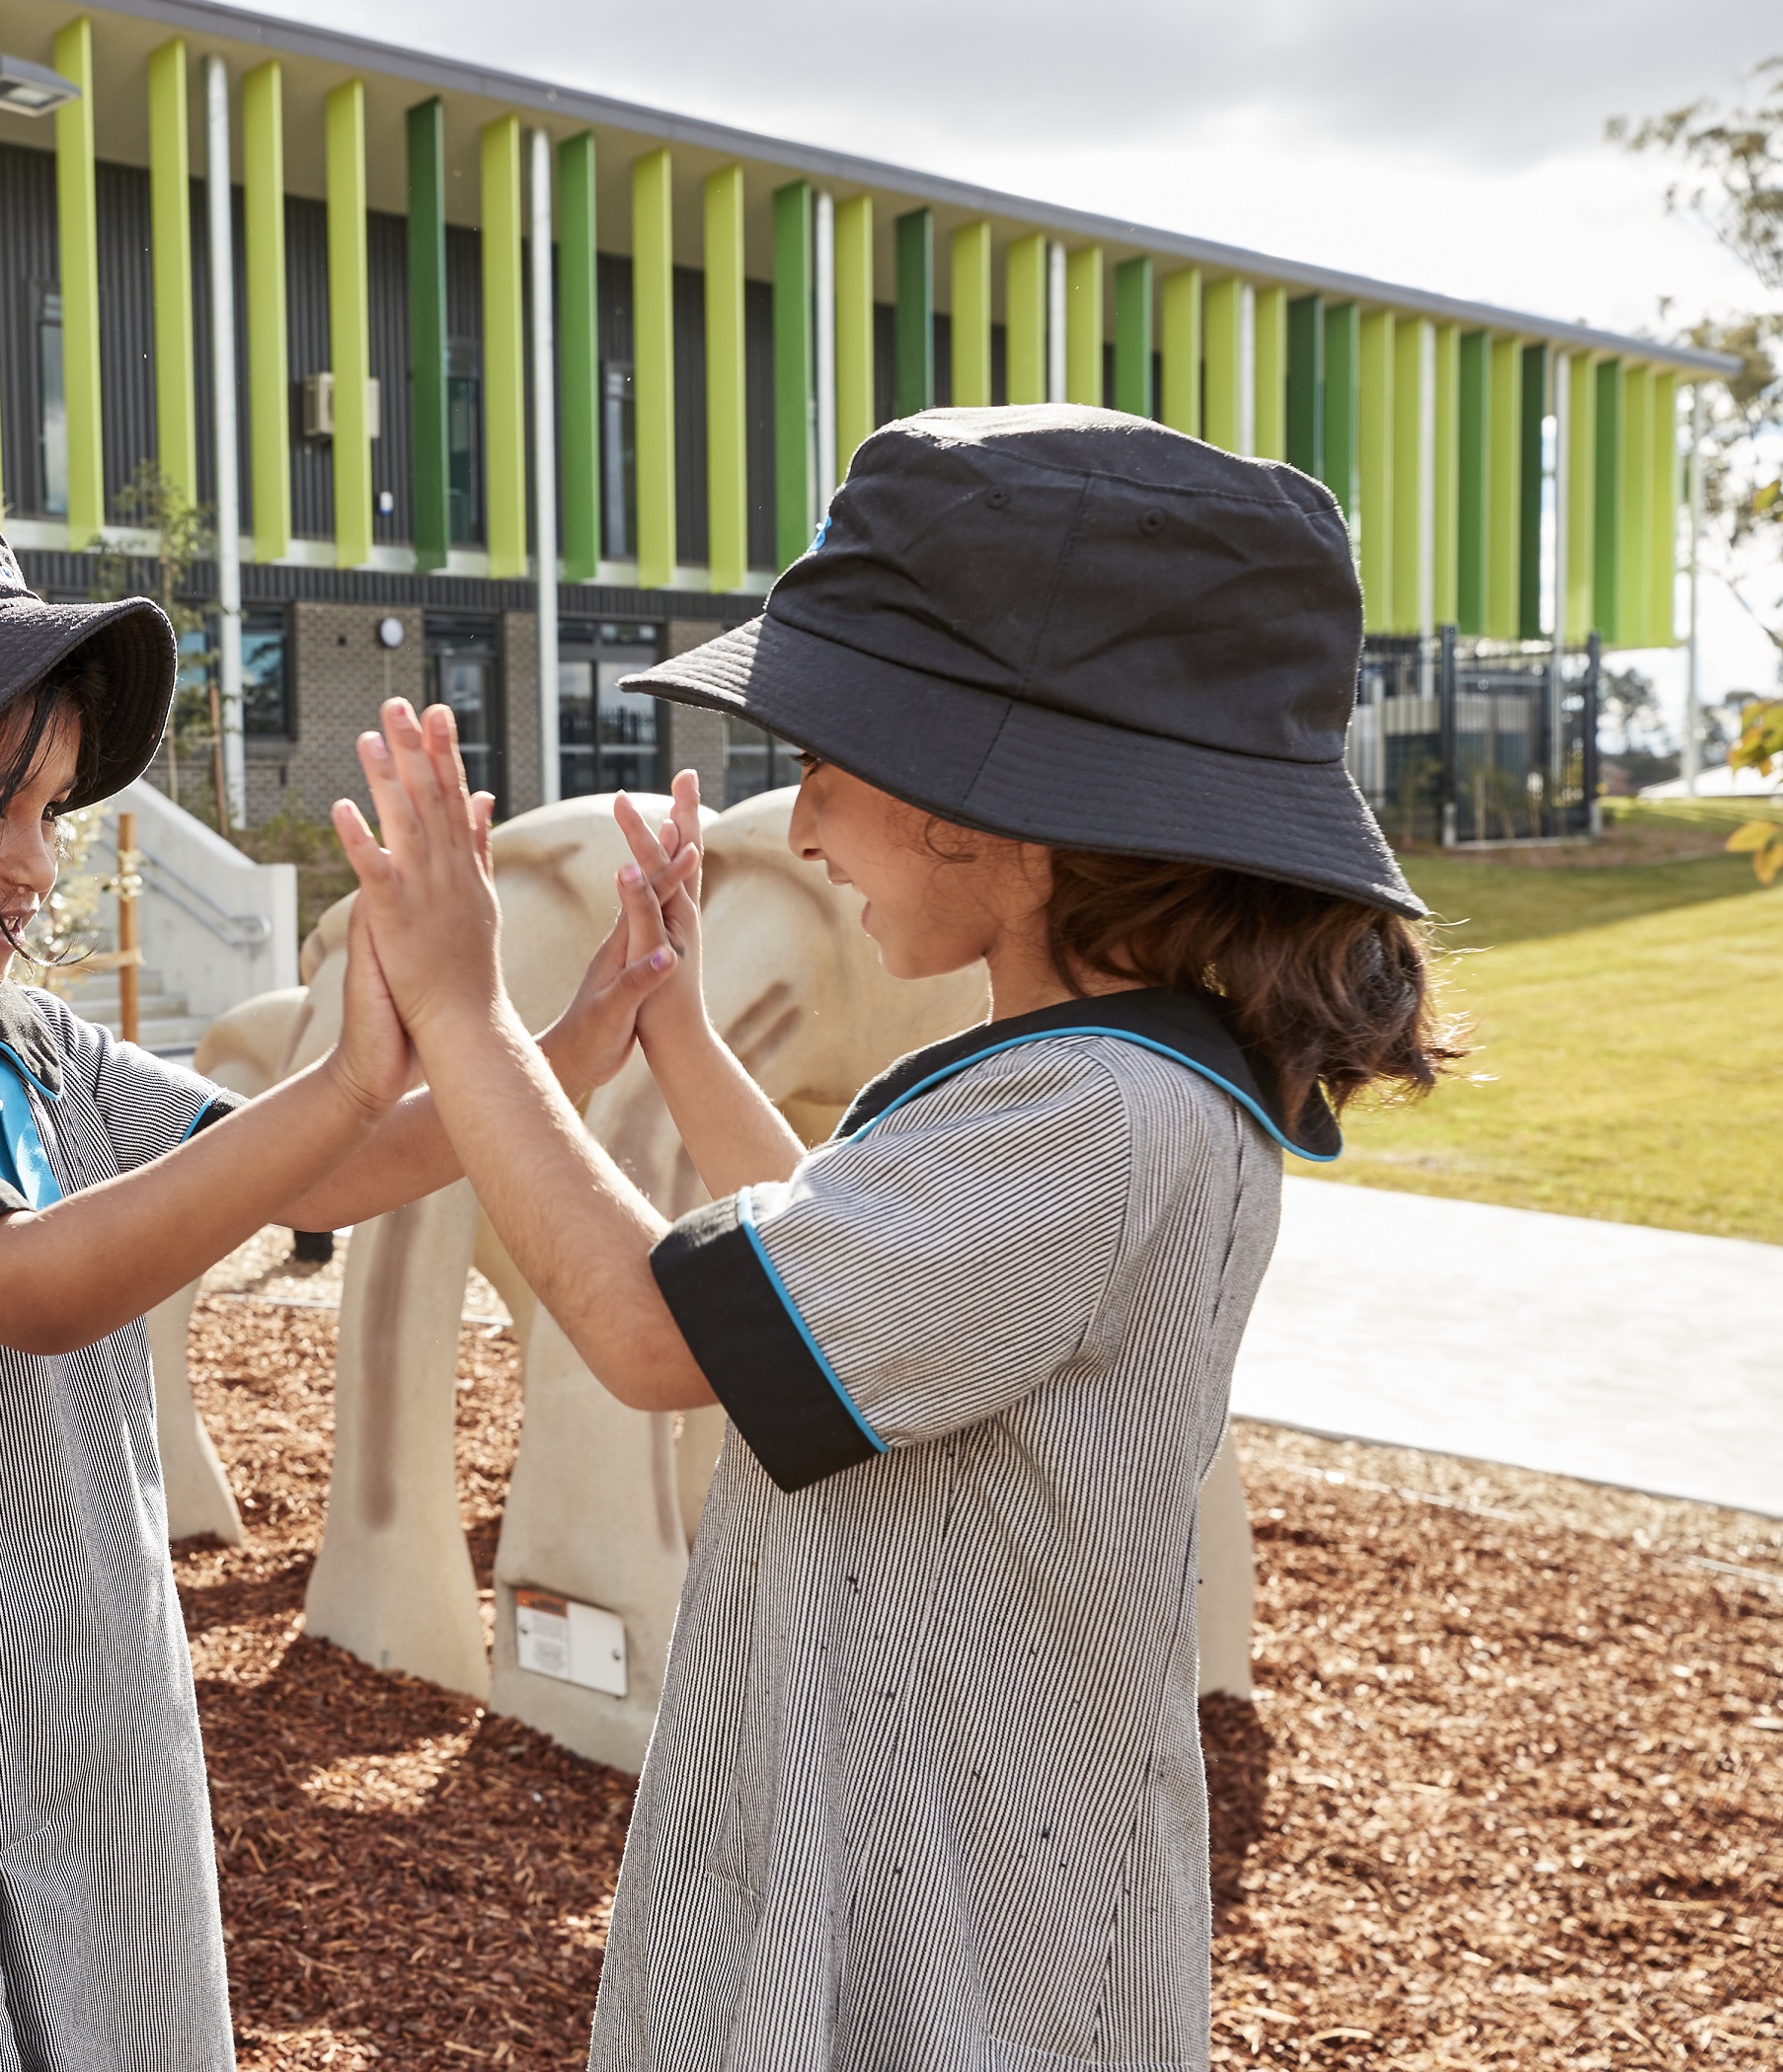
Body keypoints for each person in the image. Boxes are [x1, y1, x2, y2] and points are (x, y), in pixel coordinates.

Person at [329, 408, 1458, 2071]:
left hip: (932, 1950)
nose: (796, 824)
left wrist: (458, 1002)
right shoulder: (1094, 1082)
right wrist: (671, 1034)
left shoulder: (1078, 1123)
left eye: (828, 756)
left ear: (998, 810)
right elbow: (824, 1273)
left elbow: (658, 1335)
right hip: (943, 1884)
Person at [0, 494, 678, 2068]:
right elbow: (25, 1283)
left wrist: (550, 1038)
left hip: (71, 1693)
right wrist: (344, 1080)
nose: (38, 866)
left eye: (54, 812)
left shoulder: (27, 1049)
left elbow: (315, 1166)